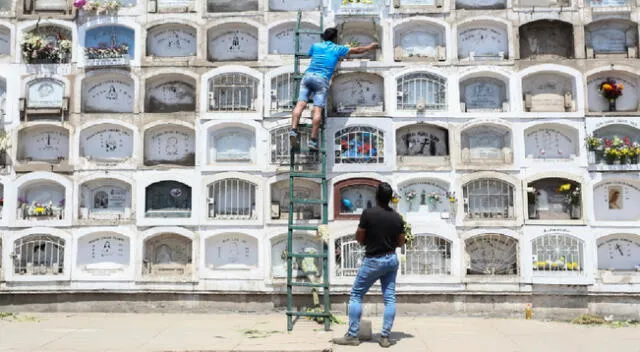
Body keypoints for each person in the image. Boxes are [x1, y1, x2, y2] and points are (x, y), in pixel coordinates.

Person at [333, 182, 405, 348]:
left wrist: (369, 239)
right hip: (391, 259)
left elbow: (359, 237)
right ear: (390, 198)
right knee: (389, 298)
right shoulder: (397, 217)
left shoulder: (368, 214)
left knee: (357, 294)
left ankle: (352, 335)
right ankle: (385, 337)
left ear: (376, 196)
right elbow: (400, 242)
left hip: (374, 260)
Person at [289, 28, 379, 151]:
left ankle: (293, 130)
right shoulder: (337, 49)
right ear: (335, 38)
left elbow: (311, 54)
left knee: (300, 105)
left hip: (308, 76)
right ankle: (313, 140)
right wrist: (370, 47)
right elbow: (357, 50)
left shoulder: (316, 46)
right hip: (321, 80)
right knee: (317, 110)